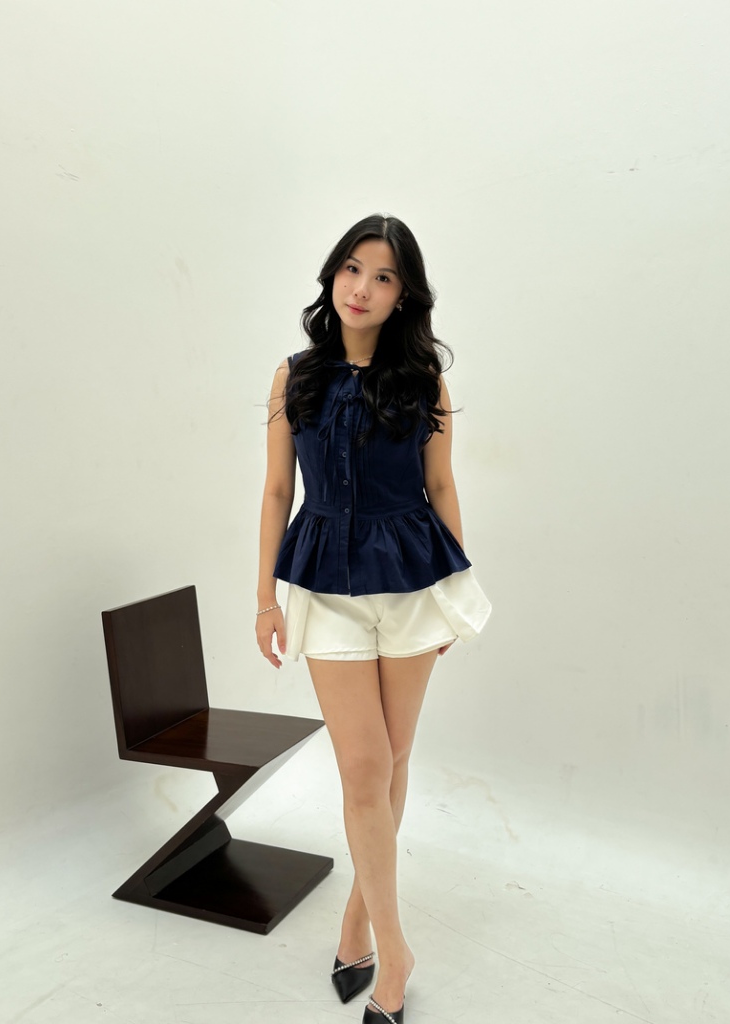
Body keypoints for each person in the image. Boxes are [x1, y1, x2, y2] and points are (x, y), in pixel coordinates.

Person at [255, 214, 491, 1024]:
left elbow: (442, 486)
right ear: (332, 275)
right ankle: (396, 953)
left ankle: (357, 923)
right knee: (364, 768)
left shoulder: (424, 382)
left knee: (391, 760)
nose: (361, 288)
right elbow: (277, 491)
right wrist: (264, 599)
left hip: (411, 584)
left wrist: (453, 593)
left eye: (384, 277)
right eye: (352, 268)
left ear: (403, 296)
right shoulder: (295, 377)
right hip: (324, 585)